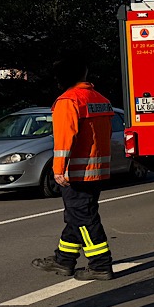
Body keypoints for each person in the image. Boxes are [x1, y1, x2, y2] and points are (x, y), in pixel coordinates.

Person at [32, 57, 116, 281]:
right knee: (76, 215)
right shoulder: (100, 99)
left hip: (76, 172)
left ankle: (100, 264)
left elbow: (64, 139)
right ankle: (64, 260)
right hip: (96, 169)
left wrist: (58, 170)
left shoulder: (68, 101)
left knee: (84, 217)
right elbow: (106, 135)